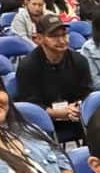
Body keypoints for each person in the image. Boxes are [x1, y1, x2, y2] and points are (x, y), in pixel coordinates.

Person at [14, 15, 94, 144]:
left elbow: (87, 92)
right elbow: (30, 105)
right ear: (38, 39)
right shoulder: (27, 66)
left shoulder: (79, 61)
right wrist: (57, 113)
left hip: (75, 115)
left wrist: (77, 107)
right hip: (43, 119)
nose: (62, 40)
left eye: (64, 35)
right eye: (54, 36)